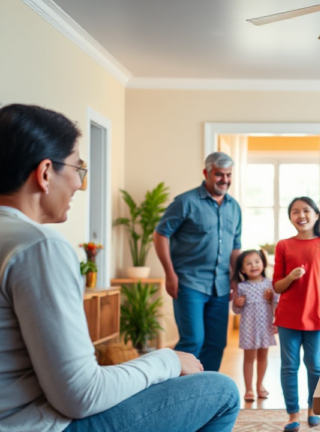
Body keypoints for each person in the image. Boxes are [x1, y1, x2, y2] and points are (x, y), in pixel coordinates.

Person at [0, 104, 239, 432]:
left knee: (212, 351)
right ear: (44, 173)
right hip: (31, 424)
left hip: (220, 284)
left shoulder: (235, 207)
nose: (79, 184)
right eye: (77, 168)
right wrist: (166, 359)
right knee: (222, 390)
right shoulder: (39, 246)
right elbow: (81, 395)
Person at [153, 151, 242, 372]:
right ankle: (178, 392)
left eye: (228, 175)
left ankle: (207, 394)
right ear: (206, 173)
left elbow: (236, 246)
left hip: (220, 286)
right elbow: (160, 234)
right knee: (193, 341)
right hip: (189, 283)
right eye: (219, 174)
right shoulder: (186, 202)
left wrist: (234, 278)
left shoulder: (234, 207)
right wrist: (169, 273)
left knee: (217, 343)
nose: (225, 180)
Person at [272, 196, 320, 431]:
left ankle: (313, 410)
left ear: (316, 215)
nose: (301, 215)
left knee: (315, 366)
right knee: (289, 366)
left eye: (306, 210)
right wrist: (291, 277)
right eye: (295, 211)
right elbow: (277, 285)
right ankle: (293, 415)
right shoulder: (283, 246)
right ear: (290, 217)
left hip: (316, 316)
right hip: (288, 317)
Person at [232, 249, 278, 402]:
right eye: (248, 263)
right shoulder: (241, 287)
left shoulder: (270, 284)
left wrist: (272, 299)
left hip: (265, 326)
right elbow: (235, 310)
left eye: (257, 261)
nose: (254, 265)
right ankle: (249, 389)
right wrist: (237, 304)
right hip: (248, 328)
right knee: (249, 358)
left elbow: (276, 305)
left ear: (263, 264)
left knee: (263, 356)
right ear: (242, 269)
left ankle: (260, 385)